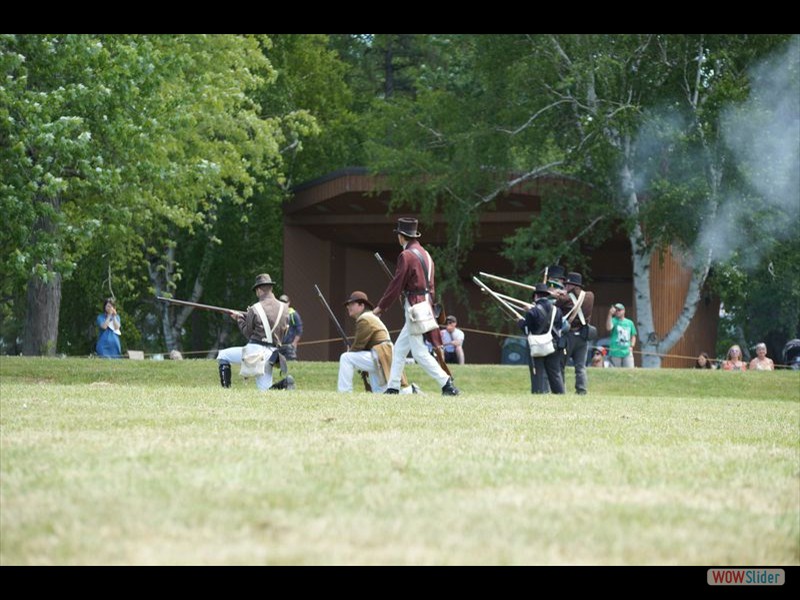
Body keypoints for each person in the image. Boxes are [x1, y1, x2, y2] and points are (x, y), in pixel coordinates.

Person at [373, 217, 459, 396]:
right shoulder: (426, 254)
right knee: (400, 349)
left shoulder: (405, 255)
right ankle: (393, 387)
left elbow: (396, 284)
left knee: (419, 352)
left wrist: (380, 308)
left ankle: (446, 384)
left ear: (401, 236)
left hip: (414, 306)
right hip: (426, 305)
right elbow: (431, 286)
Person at [216, 274, 293, 390]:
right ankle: (285, 383)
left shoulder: (255, 308)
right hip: (272, 354)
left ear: (259, 290)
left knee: (223, 355)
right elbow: (284, 331)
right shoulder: (285, 308)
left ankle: (226, 390)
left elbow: (248, 333)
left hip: (255, 351)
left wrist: (239, 319)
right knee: (265, 391)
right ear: (270, 288)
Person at [337, 291, 419, 394]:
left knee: (346, 358)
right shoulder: (369, 317)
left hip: (380, 354)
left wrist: (351, 350)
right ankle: (411, 391)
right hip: (382, 354)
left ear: (362, 305)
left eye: (352, 304)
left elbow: (359, 345)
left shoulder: (364, 319)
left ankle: (344, 392)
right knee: (380, 393)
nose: (348, 307)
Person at [553, 272, 595, 394]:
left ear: (571, 285)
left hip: (568, 336)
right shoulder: (590, 296)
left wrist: (558, 295)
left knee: (560, 366)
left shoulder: (564, 299)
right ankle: (581, 390)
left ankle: (561, 390)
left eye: (566, 285)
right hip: (583, 337)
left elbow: (556, 309)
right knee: (580, 367)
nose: (565, 287)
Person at [519, 283, 565, 394]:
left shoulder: (532, 311)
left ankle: (538, 393)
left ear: (535, 296)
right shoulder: (557, 310)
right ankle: (560, 394)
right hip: (553, 344)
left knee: (537, 372)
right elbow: (559, 327)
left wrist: (520, 321)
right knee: (555, 372)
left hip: (537, 345)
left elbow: (526, 330)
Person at [606, 302, 637, 368]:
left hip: (627, 352)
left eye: (619, 310)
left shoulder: (630, 322)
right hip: (615, 352)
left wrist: (632, 346)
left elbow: (633, 336)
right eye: (616, 310)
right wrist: (610, 314)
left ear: (624, 311)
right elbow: (608, 328)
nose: (617, 312)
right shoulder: (613, 320)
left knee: (630, 371)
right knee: (616, 373)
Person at [278, 294, 303, 361]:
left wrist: (294, 343)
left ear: (289, 303)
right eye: (281, 302)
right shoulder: (277, 314)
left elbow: (299, 330)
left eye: (285, 302)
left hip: (289, 345)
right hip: (278, 345)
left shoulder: (294, 314)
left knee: (291, 364)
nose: (283, 304)